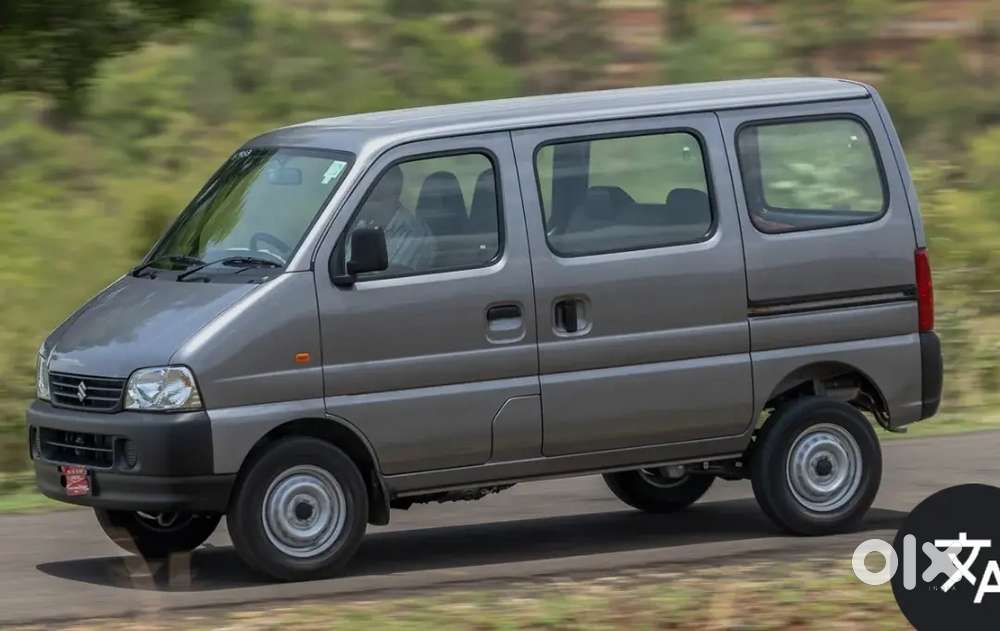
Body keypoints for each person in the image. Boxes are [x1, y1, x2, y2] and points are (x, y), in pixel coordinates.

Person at [355, 166, 435, 271]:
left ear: (393, 197)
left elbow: (388, 278)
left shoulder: (411, 232)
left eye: (374, 197)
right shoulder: (362, 224)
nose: (365, 203)